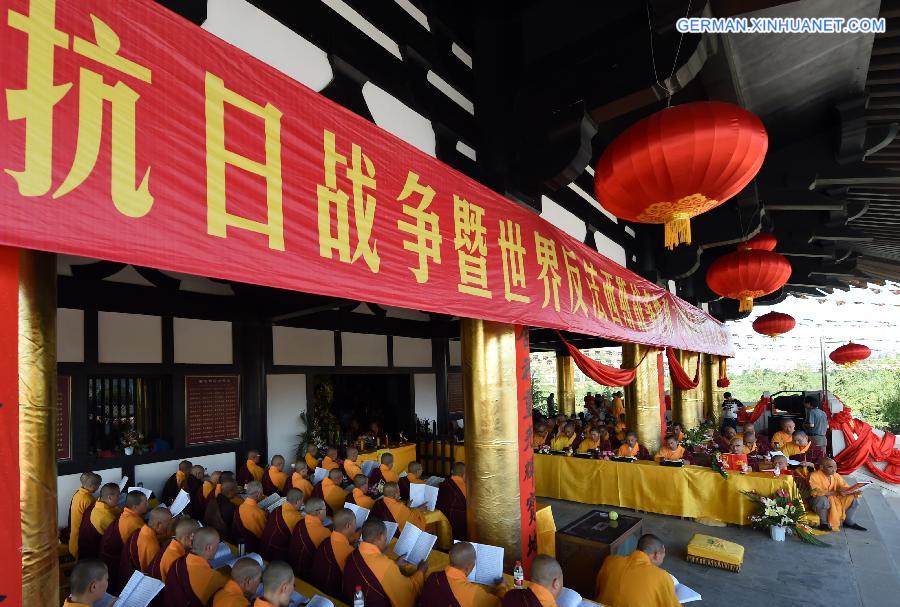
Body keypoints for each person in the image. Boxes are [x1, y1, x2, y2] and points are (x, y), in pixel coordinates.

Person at [342, 517, 427, 607]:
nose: (386, 541)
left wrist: (395, 564)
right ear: (380, 537)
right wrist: (421, 572)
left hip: (354, 602)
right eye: (385, 538)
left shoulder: (353, 554)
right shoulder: (385, 565)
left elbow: (374, 568)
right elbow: (407, 594)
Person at [595, 534, 679, 607]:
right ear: (656, 555)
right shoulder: (662, 577)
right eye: (663, 554)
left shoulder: (610, 561)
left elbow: (597, 591)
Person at [420, 541, 506, 607]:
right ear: (467, 568)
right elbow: (499, 603)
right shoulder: (474, 593)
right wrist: (501, 587)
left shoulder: (433, 576)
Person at [164, 527, 229, 606]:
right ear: (209, 548)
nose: (218, 548)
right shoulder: (212, 578)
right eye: (217, 545)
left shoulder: (177, 563)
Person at [99, 490, 148, 592]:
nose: (148, 505)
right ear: (135, 507)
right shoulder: (133, 522)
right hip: (115, 563)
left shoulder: (125, 513)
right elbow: (144, 543)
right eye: (145, 503)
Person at [119, 506, 171, 589]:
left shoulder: (141, 530)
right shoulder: (152, 546)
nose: (168, 528)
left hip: (122, 571)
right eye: (167, 525)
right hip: (132, 583)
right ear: (158, 524)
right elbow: (152, 573)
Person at [810, 458, 867, 532]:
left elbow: (844, 486)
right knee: (822, 499)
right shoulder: (814, 475)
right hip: (817, 500)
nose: (834, 470)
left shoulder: (836, 475)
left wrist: (852, 490)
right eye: (830, 467)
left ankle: (848, 521)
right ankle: (823, 523)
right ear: (821, 467)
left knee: (853, 498)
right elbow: (816, 491)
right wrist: (835, 493)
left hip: (835, 497)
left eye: (835, 467)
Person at [311, 507, 357, 596]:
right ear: (348, 526)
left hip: (315, 586)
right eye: (355, 523)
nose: (356, 526)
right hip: (332, 595)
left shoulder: (326, 540)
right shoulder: (349, 553)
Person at [288, 496, 331, 578]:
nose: (326, 511)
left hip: (291, 563)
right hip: (305, 572)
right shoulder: (324, 533)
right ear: (319, 512)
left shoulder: (300, 522)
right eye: (325, 509)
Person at [258, 488, 305, 562]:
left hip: (262, 548)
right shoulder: (296, 518)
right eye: (302, 501)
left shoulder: (277, 508)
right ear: (297, 502)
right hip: (277, 555)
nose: (302, 504)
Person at [78, 482, 121, 559]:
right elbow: (118, 537)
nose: (119, 498)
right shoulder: (104, 516)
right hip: (93, 557)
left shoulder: (97, 503)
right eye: (118, 496)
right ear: (110, 498)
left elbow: (115, 510)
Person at [67, 471, 101, 559]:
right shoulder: (88, 500)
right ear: (93, 487)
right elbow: (94, 519)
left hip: (73, 538)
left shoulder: (78, 493)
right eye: (98, 486)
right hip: (80, 541)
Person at [436, 462, 467, 540]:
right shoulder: (465, 487)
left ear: (452, 471)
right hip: (458, 522)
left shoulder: (444, 483)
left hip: (442, 520)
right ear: (464, 474)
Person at [234, 480, 268, 553]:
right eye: (262, 494)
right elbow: (264, 534)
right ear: (258, 494)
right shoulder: (259, 513)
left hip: (240, 542)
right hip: (253, 546)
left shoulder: (240, 506)